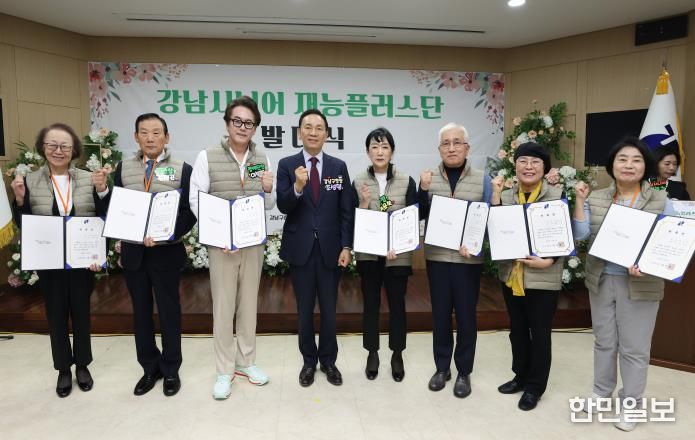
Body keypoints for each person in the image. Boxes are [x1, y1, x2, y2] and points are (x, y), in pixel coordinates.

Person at [573, 136, 676, 432]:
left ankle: (631, 403)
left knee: (634, 348)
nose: (629, 165)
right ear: (612, 165)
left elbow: (671, 241)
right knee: (604, 341)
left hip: (641, 284)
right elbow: (580, 234)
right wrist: (579, 200)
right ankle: (601, 391)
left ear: (646, 166)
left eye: (636, 160)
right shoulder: (596, 197)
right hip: (601, 279)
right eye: (622, 159)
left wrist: (649, 263)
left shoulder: (660, 199)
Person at [11, 123, 106, 397]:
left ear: (74, 150)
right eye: (52, 145)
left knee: (81, 313)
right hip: (49, 260)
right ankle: (63, 368)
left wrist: (98, 254)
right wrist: (20, 201)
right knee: (55, 314)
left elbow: (102, 215)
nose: (58, 150)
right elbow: (25, 224)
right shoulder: (30, 180)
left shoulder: (87, 178)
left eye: (65, 145)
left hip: (81, 259)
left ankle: (83, 365)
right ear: (43, 148)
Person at [104, 113, 196, 397]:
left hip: (166, 253)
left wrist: (167, 233)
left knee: (169, 313)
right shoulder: (124, 168)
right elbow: (116, 207)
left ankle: (171, 369)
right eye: (144, 132)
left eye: (157, 133)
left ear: (167, 137)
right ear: (136, 137)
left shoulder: (182, 169)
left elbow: (190, 211)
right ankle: (149, 368)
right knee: (141, 314)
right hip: (134, 253)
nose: (150, 138)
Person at [189, 96, 275, 399]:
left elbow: (269, 203)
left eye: (249, 123)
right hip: (222, 246)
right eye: (237, 121)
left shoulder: (261, 159)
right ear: (227, 124)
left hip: (252, 243)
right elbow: (196, 199)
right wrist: (219, 234)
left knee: (249, 305)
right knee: (224, 308)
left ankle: (246, 362)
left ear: (255, 128)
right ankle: (224, 370)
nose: (242, 127)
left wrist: (268, 189)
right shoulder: (207, 157)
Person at [276, 109, 354, 387]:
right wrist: (298, 187)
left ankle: (329, 361)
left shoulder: (338, 167)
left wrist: (347, 245)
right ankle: (308, 361)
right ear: (299, 133)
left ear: (327, 134)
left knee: (330, 311)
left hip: (331, 250)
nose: (313, 132)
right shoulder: (287, 165)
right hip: (301, 249)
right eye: (307, 127)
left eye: (318, 128)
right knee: (305, 310)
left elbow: (346, 210)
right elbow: (283, 205)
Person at [417, 122, 493, 398]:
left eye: (456, 142)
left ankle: (463, 371)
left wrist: (475, 243)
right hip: (437, 258)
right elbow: (418, 213)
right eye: (446, 143)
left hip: (467, 262)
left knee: (466, 317)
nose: (451, 148)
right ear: (439, 149)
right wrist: (423, 190)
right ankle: (442, 368)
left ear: (467, 148)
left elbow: (490, 218)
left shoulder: (483, 179)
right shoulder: (427, 178)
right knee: (440, 315)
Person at [492, 142, 564, 411]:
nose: (528, 167)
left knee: (540, 333)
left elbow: (564, 235)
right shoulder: (506, 195)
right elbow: (497, 229)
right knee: (518, 330)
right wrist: (496, 197)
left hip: (543, 276)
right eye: (523, 161)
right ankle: (520, 376)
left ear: (545, 168)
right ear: (515, 166)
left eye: (535, 162)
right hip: (513, 275)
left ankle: (535, 387)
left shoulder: (556, 196)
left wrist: (549, 261)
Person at [352, 127, 417, 382]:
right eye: (374, 147)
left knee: (397, 306)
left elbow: (411, 217)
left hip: (397, 256)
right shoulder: (358, 181)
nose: (380, 152)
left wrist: (397, 244)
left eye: (385, 147)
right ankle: (372, 353)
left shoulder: (406, 181)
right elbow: (353, 219)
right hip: (369, 256)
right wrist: (364, 203)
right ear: (368, 151)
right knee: (371, 305)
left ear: (392, 151)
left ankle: (397, 354)